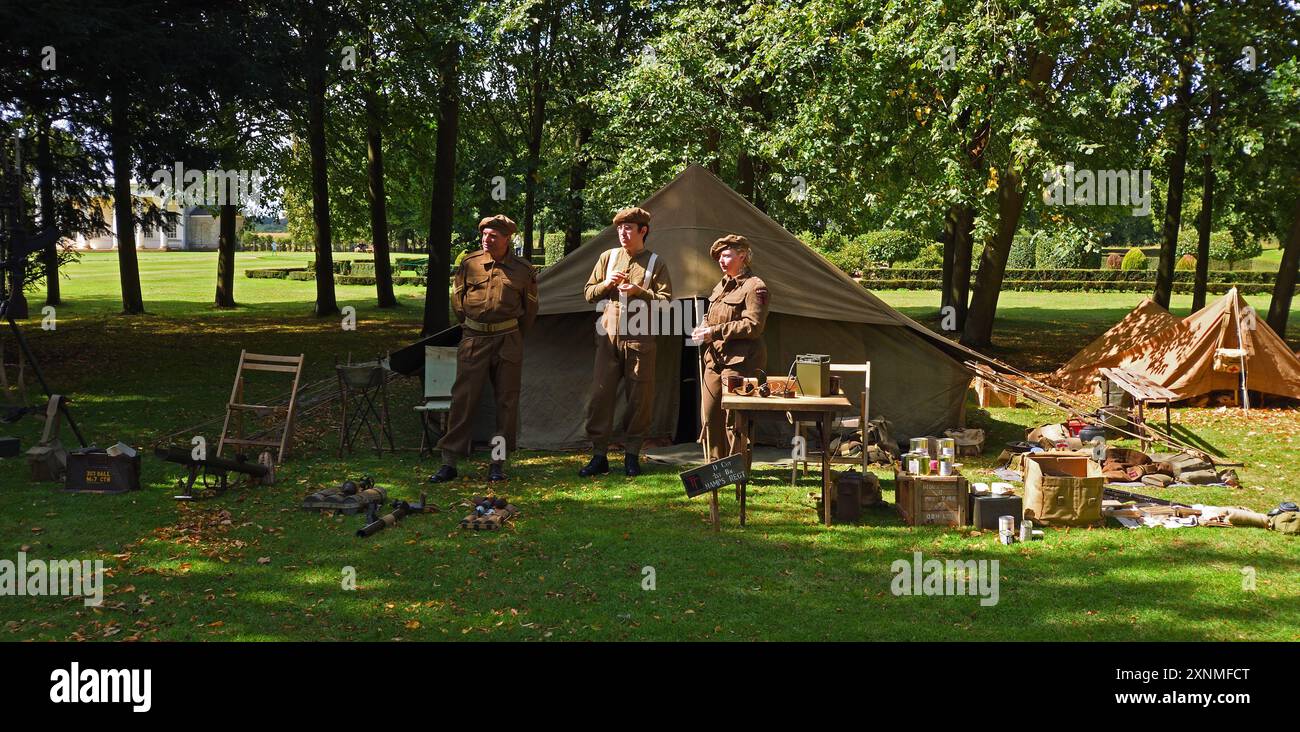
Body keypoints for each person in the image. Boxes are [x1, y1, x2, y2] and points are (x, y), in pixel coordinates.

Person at [429, 215, 538, 484]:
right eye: (484, 235)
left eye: (493, 236)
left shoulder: (524, 270)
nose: (486, 240)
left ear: (507, 239)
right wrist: (473, 328)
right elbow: (458, 302)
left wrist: (511, 334)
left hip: (508, 340)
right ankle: (449, 462)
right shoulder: (469, 264)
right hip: (474, 338)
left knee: (506, 402)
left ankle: (497, 463)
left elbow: (530, 311)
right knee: (463, 399)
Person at [579, 207, 673, 477]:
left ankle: (632, 455)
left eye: (628, 228)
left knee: (639, 400)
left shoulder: (656, 263)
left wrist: (639, 291)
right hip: (608, 339)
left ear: (643, 231)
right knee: (600, 396)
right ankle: (599, 456)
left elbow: (667, 303)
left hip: (640, 339)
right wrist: (607, 284)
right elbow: (588, 294)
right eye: (619, 228)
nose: (622, 233)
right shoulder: (607, 258)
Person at [691, 234, 770, 460]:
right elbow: (711, 316)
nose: (721, 261)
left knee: (733, 419)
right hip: (715, 359)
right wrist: (703, 328)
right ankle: (716, 466)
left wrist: (714, 332)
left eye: (726, 256)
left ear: (742, 257)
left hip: (741, 361)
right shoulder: (721, 285)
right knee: (709, 414)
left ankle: (737, 468)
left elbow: (753, 326)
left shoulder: (756, 287)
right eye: (719, 257)